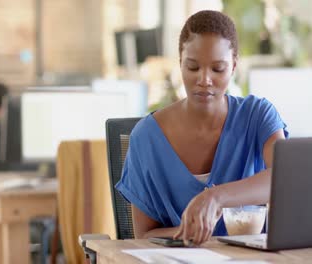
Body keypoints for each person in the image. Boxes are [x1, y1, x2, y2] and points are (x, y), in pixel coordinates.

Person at [115, 10, 288, 245]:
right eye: (193, 67)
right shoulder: (145, 138)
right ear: (180, 64)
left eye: (218, 69)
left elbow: (284, 176)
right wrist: (192, 232)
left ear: (234, 66)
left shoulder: (257, 116)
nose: (204, 79)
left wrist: (216, 197)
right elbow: (144, 236)